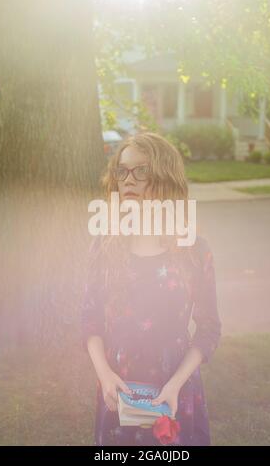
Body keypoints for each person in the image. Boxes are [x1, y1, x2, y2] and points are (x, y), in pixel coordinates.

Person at [81, 131, 222, 446]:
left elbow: (209, 329)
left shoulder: (195, 249)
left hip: (176, 391)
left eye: (141, 171)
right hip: (117, 390)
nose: (128, 180)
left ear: (165, 178)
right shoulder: (104, 244)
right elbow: (89, 319)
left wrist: (174, 385)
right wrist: (104, 375)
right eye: (122, 170)